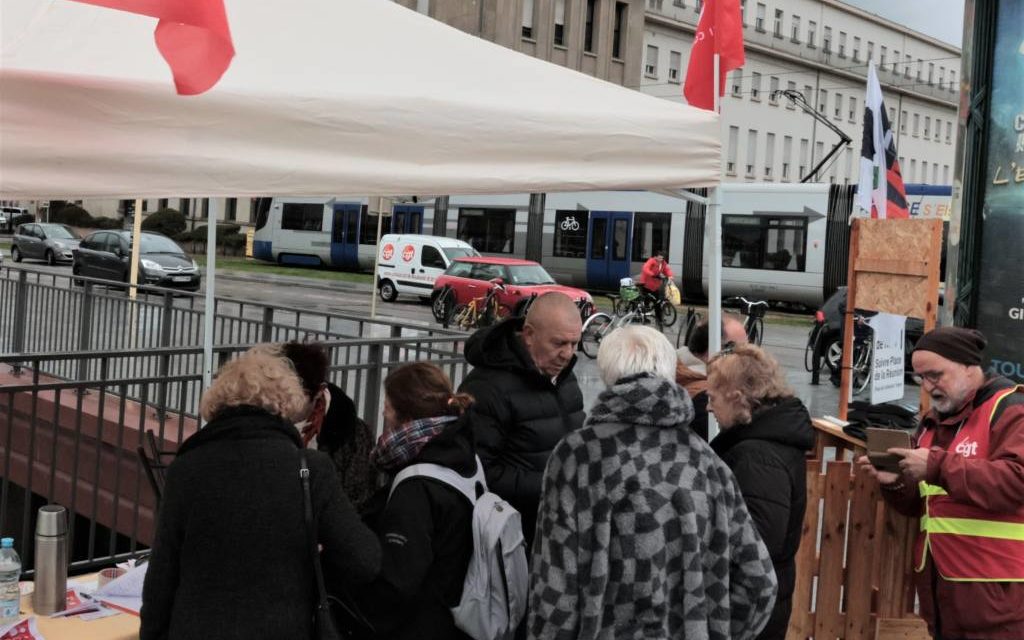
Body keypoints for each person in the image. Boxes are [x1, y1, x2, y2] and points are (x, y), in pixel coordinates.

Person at [528, 325, 777, 639]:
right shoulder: (706, 462)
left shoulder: (579, 457)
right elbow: (759, 582)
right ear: (668, 372)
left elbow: (554, 587)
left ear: (608, 374)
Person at [140, 344, 380, 640]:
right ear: (286, 404)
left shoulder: (187, 469)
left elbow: (161, 578)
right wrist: (310, 564)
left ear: (218, 403)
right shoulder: (308, 469)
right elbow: (364, 560)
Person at [857, 327, 1024, 640]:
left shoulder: (1010, 409)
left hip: (1000, 599)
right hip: (945, 597)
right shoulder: (933, 421)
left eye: (935, 375)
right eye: (921, 378)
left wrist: (936, 465)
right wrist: (895, 483)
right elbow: (925, 506)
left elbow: (1016, 482)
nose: (928, 387)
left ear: (967, 366)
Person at [348, 362, 476, 640]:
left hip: (418, 624)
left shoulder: (416, 486)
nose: (383, 411)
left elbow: (396, 583)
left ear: (406, 418)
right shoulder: (460, 450)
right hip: (450, 616)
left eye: (389, 406)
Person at [458, 292, 584, 551]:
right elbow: (476, 472)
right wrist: (552, 484)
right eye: (559, 343)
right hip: (509, 538)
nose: (567, 354)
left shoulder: (564, 378)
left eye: (574, 343)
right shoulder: (486, 387)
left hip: (557, 530)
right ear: (528, 335)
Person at [706, 344, 815, 640]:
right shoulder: (770, 439)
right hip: (766, 597)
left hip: (750, 604)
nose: (708, 407)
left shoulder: (756, 455)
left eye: (712, 398)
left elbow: (758, 543)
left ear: (737, 398)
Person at [280, 342, 379, 509]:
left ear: (319, 391)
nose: (284, 405)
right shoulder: (263, 419)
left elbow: (357, 501)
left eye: (296, 397)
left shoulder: (353, 434)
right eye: (280, 394)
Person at [675, 315, 749, 440]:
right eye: (741, 350)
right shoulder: (708, 396)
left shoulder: (675, 366)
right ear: (715, 349)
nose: (747, 357)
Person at [637, 249, 674, 326]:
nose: (661, 259)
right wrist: (653, 274)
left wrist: (670, 276)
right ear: (655, 257)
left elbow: (667, 270)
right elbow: (645, 268)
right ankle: (643, 317)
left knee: (657, 302)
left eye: (662, 258)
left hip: (654, 286)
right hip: (646, 284)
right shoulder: (651, 261)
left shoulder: (663, 263)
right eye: (659, 258)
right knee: (646, 302)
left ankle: (659, 319)